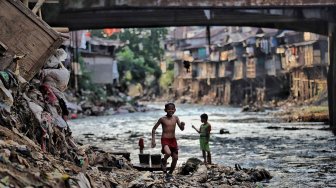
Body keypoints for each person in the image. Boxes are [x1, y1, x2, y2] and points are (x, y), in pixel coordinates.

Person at [151, 103, 185, 177]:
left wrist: (182, 125)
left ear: (175, 110)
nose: (171, 110)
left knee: (175, 158)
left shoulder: (176, 118)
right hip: (165, 139)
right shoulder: (162, 119)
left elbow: (181, 129)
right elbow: (154, 129)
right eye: (169, 109)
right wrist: (153, 140)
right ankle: (163, 161)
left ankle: (170, 173)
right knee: (168, 153)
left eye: (172, 109)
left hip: (173, 140)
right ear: (165, 110)